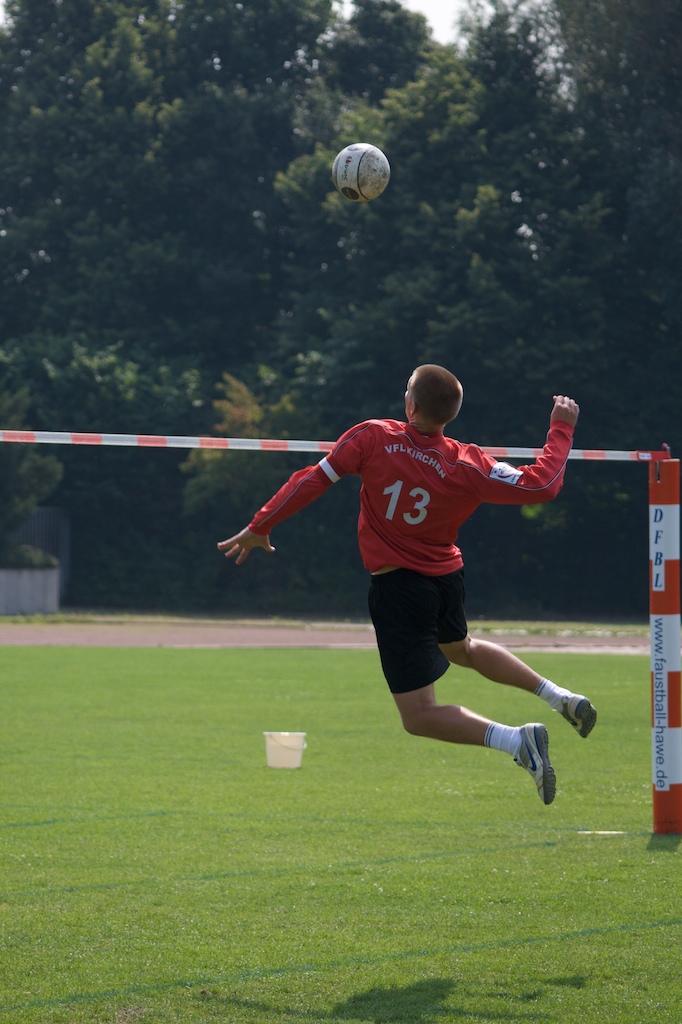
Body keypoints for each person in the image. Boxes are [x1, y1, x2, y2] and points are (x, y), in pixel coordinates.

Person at [218, 364, 596, 805]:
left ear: (410, 404)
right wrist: (561, 429)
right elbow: (543, 484)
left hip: (399, 589)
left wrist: (262, 525)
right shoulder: (468, 462)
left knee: (418, 717)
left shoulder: (373, 437)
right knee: (463, 649)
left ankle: (517, 741)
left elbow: (311, 480)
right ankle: (560, 696)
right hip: (445, 580)